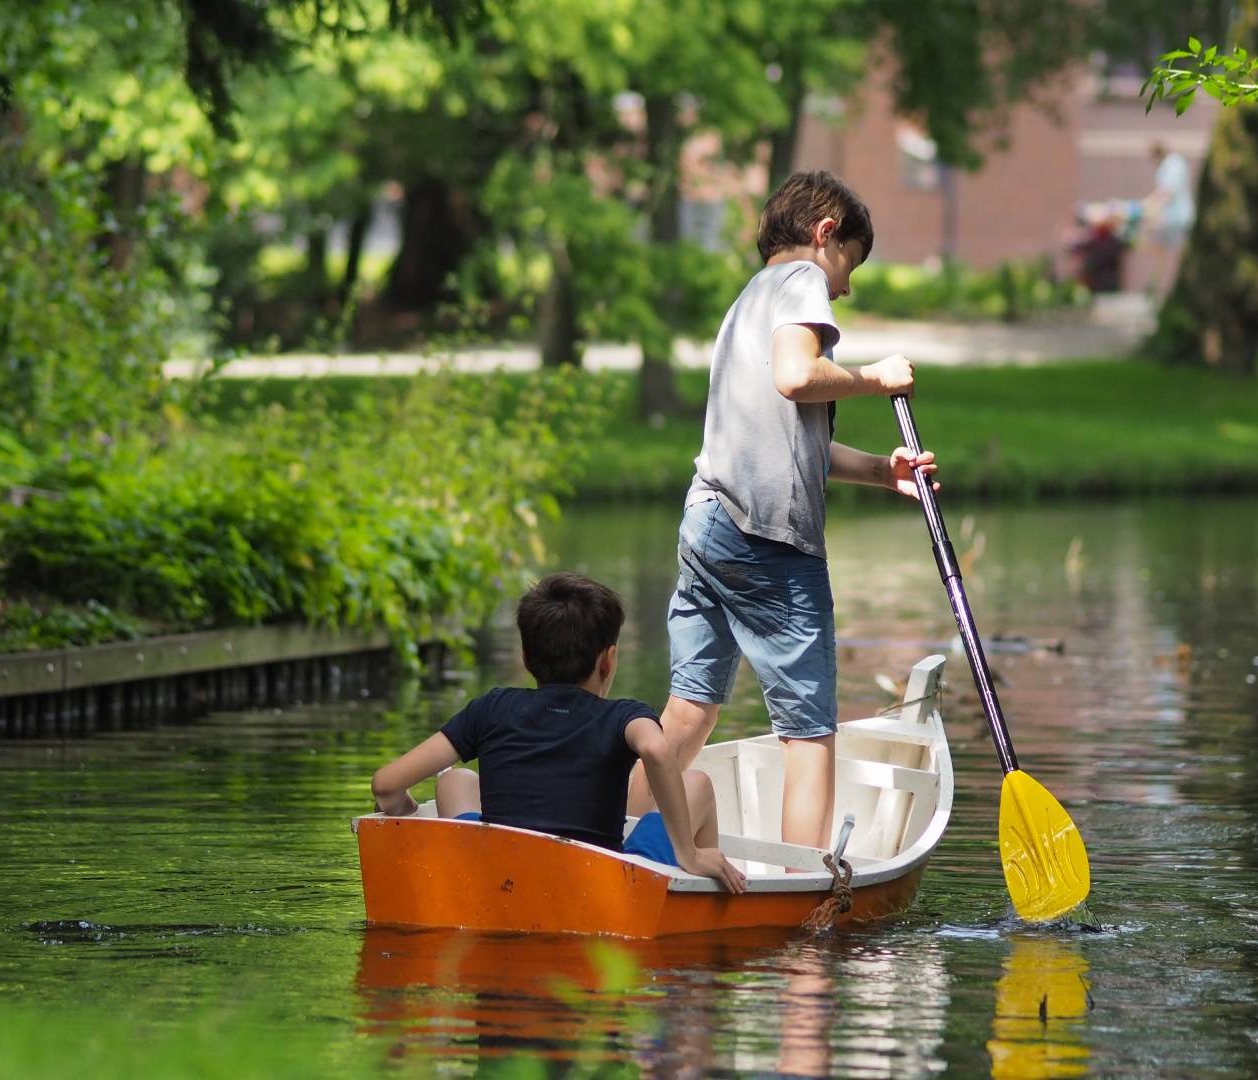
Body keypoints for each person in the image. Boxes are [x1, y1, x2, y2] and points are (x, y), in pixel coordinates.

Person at [634, 170, 937, 850]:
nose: (846, 288)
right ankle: (803, 891)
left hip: (707, 521)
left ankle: (607, 838)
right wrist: (874, 377)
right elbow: (797, 379)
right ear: (824, 234)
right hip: (768, 539)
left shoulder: (747, 301)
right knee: (809, 732)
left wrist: (882, 473)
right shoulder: (801, 281)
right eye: (848, 266)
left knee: (688, 714)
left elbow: (795, 437)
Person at [369, 572, 746, 893]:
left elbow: (386, 784)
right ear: (608, 660)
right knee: (695, 782)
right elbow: (658, 751)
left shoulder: (491, 707)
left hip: (501, 876)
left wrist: (404, 810)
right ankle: (699, 882)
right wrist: (688, 851)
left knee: (455, 781)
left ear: (526, 657)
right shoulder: (622, 715)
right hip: (598, 880)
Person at [1143, 141, 1194, 294]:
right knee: (1163, 252)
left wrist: (1149, 207)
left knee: (1169, 254)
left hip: (1176, 219)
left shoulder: (1172, 165)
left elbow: (1167, 193)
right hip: (1173, 218)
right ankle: (1158, 285)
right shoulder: (1172, 164)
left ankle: (1166, 287)